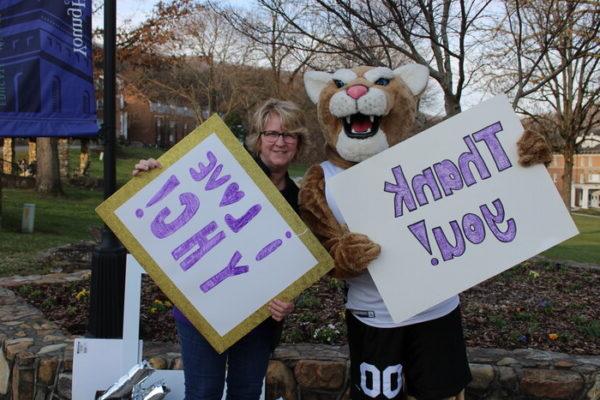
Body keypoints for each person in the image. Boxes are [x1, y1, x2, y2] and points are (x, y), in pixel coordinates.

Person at [133, 98, 308, 400]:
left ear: (298, 142)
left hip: (257, 318)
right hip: (202, 308)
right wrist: (151, 176)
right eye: (272, 134)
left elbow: (295, 263)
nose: (280, 142)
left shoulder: (300, 200)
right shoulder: (227, 168)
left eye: (289, 134)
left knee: (246, 393)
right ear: (258, 139)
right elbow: (177, 190)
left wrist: (289, 297)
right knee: (203, 393)